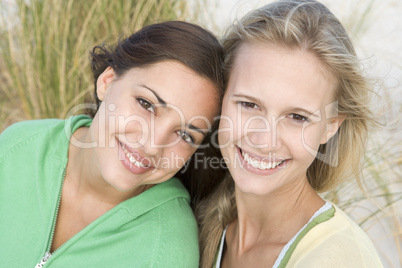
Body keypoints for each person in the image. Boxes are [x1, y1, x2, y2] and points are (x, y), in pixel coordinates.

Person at [0, 21, 224, 267]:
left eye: (185, 135)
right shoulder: (17, 146)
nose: (151, 146)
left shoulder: (166, 252)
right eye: (146, 104)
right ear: (106, 81)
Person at [197, 0, 384, 267]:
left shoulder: (336, 258)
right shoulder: (209, 223)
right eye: (249, 104)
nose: (264, 140)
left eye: (297, 117)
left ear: (330, 126)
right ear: (221, 98)